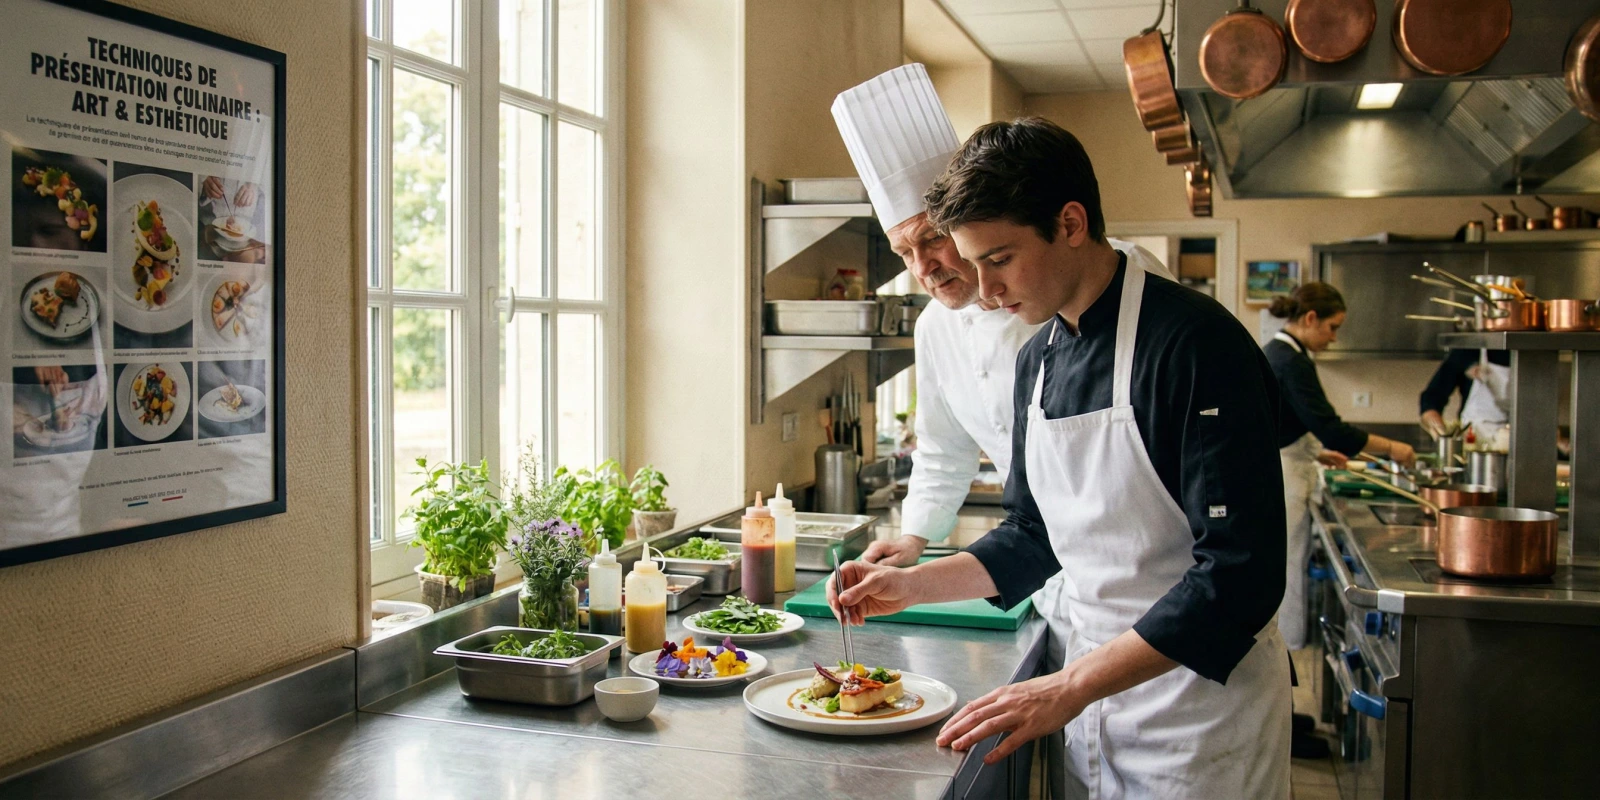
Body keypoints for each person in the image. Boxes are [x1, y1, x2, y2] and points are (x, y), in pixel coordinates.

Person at [830, 118, 1291, 798]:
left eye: (1000, 259)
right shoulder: (1038, 358)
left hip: (1198, 717)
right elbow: (1032, 535)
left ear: (1071, 223)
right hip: (1095, 704)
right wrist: (910, 584)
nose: (984, 292)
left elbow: (1240, 575)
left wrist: (1071, 687)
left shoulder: (1195, 345)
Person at [831, 66, 1173, 572]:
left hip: (1159, 558)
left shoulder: (1104, 279)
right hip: (1043, 556)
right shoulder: (935, 329)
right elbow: (944, 451)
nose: (922, 269)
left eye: (932, 240)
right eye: (903, 252)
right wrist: (914, 537)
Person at [1263, 282, 1414, 760]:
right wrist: (1395, 448)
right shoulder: (1286, 357)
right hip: (1281, 483)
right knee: (1281, 599)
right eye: (1331, 328)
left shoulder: (1286, 353)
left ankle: (1282, 716)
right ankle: (1280, 725)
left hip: (1289, 470)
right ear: (1309, 319)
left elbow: (1289, 421)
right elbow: (1327, 424)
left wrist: (1316, 450)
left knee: (1282, 598)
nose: (1333, 337)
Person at [1419, 347, 1512, 448]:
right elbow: (1432, 397)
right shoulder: (1469, 350)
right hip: (1472, 446)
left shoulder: (1528, 350)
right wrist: (1436, 425)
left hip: (1520, 446)